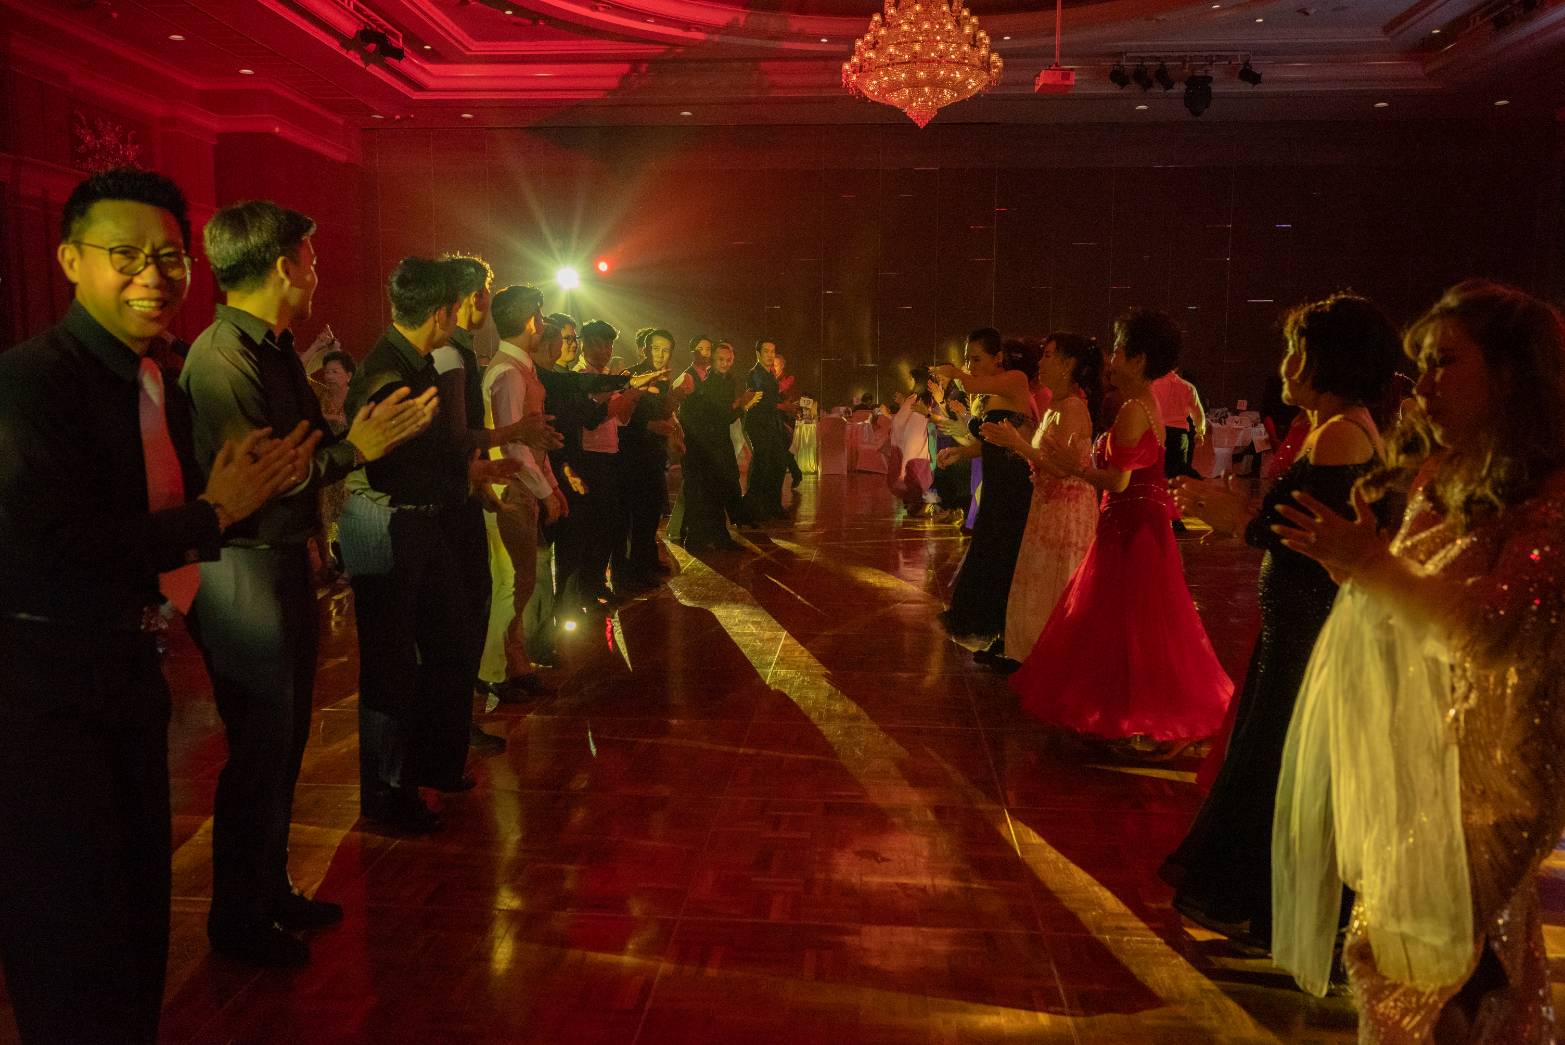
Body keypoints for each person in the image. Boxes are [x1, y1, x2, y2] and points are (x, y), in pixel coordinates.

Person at [0, 168, 311, 1043]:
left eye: (170, 257)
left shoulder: (152, 379)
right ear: (70, 259)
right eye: (126, 255)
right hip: (45, 688)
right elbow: (50, 547)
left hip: (130, 667)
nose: (154, 275)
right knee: (74, 929)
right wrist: (215, 513)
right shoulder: (31, 384)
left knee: (138, 912)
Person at [1271, 280, 1565, 1040]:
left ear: (1509, 374)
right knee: (1448, 958)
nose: (1422, 384)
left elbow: (1493, 626)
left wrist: (1375, 568)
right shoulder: (1441, 474)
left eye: (1445, 362)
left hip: (1502, 767)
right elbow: (1409, 605)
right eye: (1422, 363)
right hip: (1427, 748)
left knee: (1414, 955)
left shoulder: (1548, 491)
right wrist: (1355, 569)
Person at [180, 200, 437, 966]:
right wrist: (356, 449)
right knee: (260, 744)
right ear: (283, 265)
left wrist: (345, 443)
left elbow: (306, 447)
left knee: (286, 739)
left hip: (282, 558)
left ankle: (270, 888)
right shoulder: (222, 356)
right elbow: (262, 475)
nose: (317, 273)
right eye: (312, 259)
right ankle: (236, 917)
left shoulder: (275, 349)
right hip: (241, 568)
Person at [1156, 293, 1398, 952]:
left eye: (1296, 350)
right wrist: (1234, 516)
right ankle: (1276, 909)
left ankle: (1283, 911)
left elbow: (1307, 536)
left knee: (1286, 765)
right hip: (1299, 620)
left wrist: (1238, 521)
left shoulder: (1341, 432)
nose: (1285, 364)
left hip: (1309, 625)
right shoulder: (1341, 427)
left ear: (1330, 359)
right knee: (1281, 762)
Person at [340, 257, 519, 834]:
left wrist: (465, 474)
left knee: (451, 641)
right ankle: (386, 794)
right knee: (392, 666)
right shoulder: (387, 373)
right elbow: (388, 466)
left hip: (423, 519)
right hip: (385, 523)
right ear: (444, 312)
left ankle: (430, 767)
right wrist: (466, 473)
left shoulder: (415, 362)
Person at [1012, 309, 1232, 752]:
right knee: (1132, 625)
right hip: (1132, 523)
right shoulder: (1142, 404)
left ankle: (1151, 718)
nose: (1111, 359)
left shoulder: (1135, 409)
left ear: (1138, 359)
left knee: (1136, 624)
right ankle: (1131, 715)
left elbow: (1117, 481)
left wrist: (1077, 467)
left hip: (1132, 527)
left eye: (1118, 350)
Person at [978, 333, 1102, 667]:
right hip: (1048, 505)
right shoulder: (1055, 407)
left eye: (1048, 355)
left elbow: (1062, 469)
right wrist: (1015, 441)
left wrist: (1017, 443)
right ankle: (1027, 650)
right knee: (1038, 579)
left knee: (1053, 580)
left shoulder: (1073, 408)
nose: (1041, 362)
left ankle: (1048, 654)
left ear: (1068, 364)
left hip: (1066, 510)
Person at [479, 284, 565, 703]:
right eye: (540, 316)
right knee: (512, 583)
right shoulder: (509, 372)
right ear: (531, 320)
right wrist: (546, 491)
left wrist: (551, 486)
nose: (543, 324)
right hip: (508, 490)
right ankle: (493, 670)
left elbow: (532, 438)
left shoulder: (519, 368)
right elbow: (512, 444)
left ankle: (514, 665)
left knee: (520, 581)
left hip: (520, 487)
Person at [933, 330, 1038, 640]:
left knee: (1003, 548)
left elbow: (971, 384)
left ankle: (1001, 624)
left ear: (998, 358)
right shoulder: (989, 396)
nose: (971, 366)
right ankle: (984, 620)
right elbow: (990, 442)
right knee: (987, 545)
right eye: (968, 359)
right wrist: (960, 453)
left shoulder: (1016, 380)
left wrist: (955, 373)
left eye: (977, 359)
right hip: (996, 479)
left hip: (1014, 479)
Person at [618, 327, 675, 589]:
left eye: (666, 350)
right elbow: (620, 418)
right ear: (644, 350)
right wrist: (650, 426)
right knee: (638, 514)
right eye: (656, 349)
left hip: (654, 453)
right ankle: (635, 570)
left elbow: (663, 413)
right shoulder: (632, 376)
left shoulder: (663, 379)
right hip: (634, 455)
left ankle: (648, 560)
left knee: (652, 511)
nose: (661, 355)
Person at [742, 339, 790, 520]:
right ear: (758, 354)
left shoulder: (769, 374)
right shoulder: (755, 374)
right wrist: (782, 407)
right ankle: (753, 508)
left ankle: (772, 505)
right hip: (758, 424)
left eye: (772, 351)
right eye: (766, 351)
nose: (770, 355)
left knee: (777, 464)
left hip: (771, 423)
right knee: (762, 464)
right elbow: (757, 400)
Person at [886, 366, 937, 514]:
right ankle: (916, 500)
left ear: (918, 381)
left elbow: (901, 421)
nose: (909, 381)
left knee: (914, 470)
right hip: (916, 439)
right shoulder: (921, 399)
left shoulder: (919, 400)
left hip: (915, 440)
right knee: (915, 470)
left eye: (911, 379)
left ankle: (917, 501)